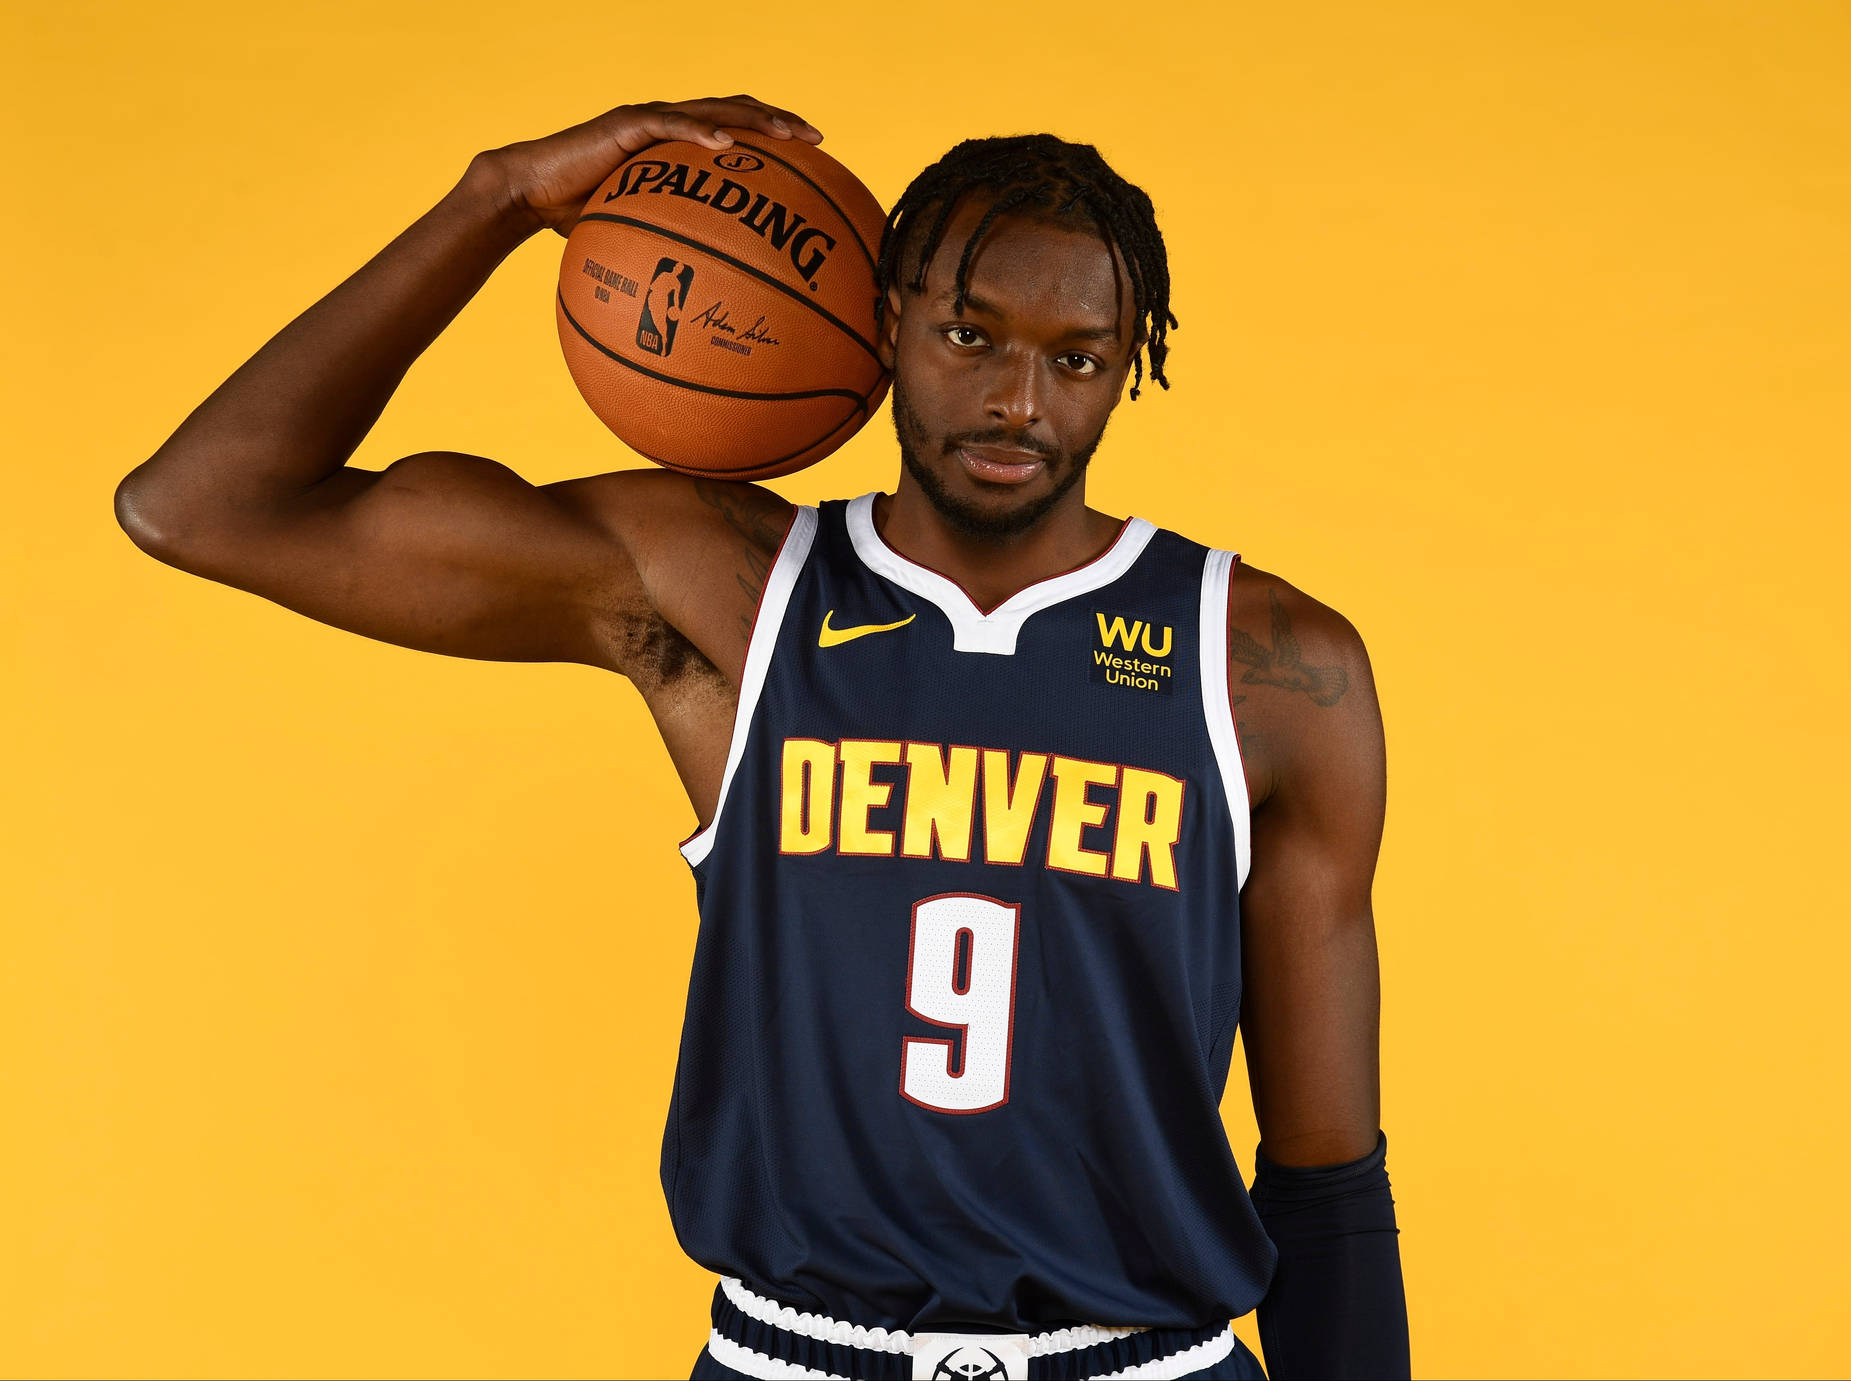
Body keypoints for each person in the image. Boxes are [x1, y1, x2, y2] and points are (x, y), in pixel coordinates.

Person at [115, 94, 1410, 1381]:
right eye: (970, 333)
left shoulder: (1270, 670)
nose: (1019, 399)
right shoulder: (726, 589)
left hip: (1146, 1363)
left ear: (1129, 363)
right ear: (883, 318)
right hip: (799, 1357)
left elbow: (1325, 1170)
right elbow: (205, 507)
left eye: (1076, 356)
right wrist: (497, 198)